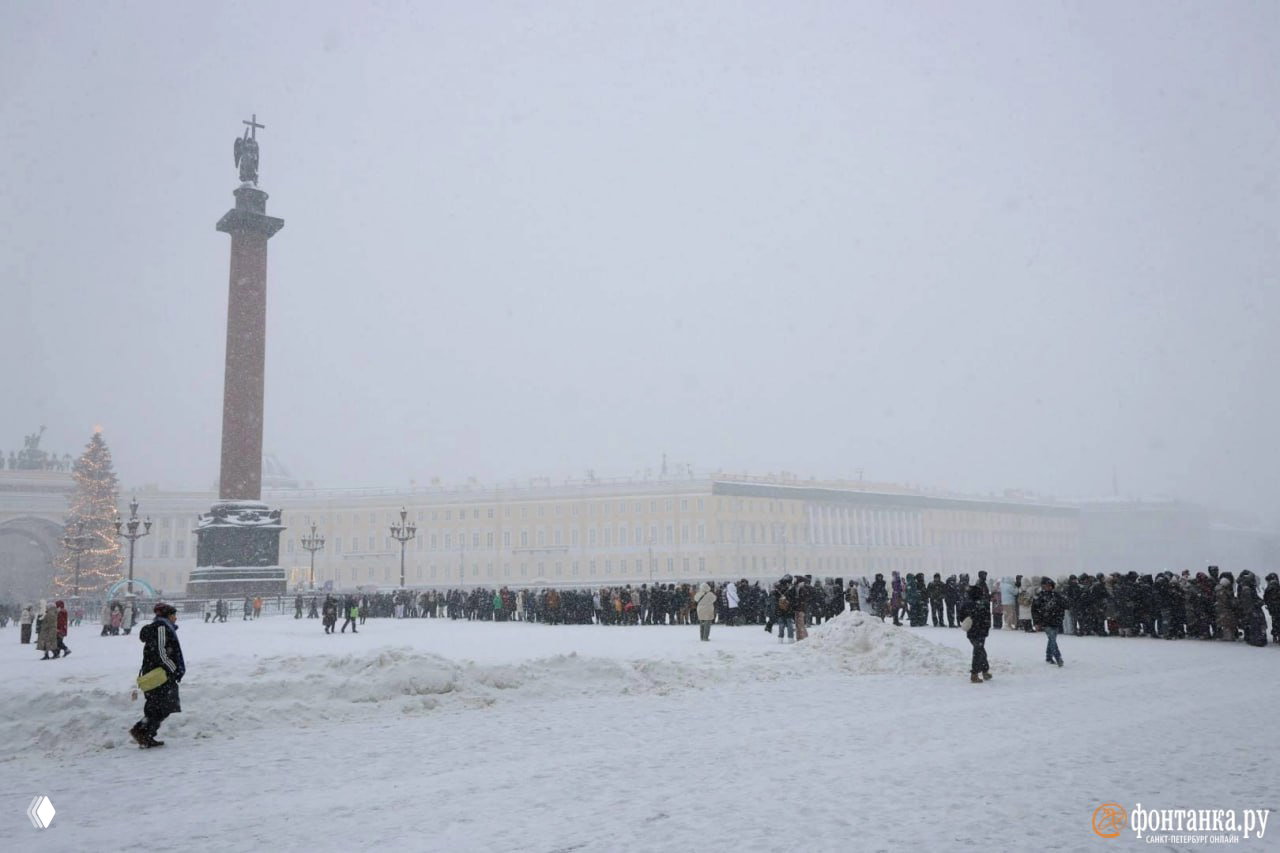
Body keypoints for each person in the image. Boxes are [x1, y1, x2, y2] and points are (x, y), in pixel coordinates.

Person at [129, 602, 185, 749]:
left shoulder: (164, 627)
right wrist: (173, 669)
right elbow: (161, 652)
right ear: (167, 615)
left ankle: (145, 733)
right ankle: (143, 731)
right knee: (161, 705)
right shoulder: (161, 627)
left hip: (160, 672)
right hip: (160, 674)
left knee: (160, 705)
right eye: (174, 615)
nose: (176, 618)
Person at [958, 584, 992, 683]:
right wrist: (986, 628)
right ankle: (975, 674)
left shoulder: (966, 603)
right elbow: (988, 618)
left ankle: (984, 671)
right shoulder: (984, 603)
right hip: (981, 631)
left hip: (972, 631)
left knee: (980, 650)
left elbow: (961, 617)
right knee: (978, 651)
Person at [1031, 578, 1065, 667]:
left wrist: (1060, 616)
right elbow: (1034, 610)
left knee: (1051, 639)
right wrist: (1037, 622)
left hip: (1056, 620)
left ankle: (1048, 656)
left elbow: (1063, 606)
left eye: (1049, 585)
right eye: (1045, 585)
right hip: (1045, 622)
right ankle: (1058, 657)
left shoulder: (1057, 595)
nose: (1047, 587)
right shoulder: (1039, 596)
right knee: (1052, 639)